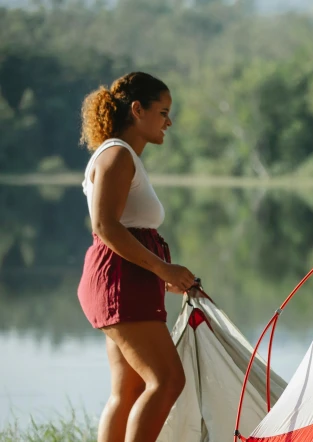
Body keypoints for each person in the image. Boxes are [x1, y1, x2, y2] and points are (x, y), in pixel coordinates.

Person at [77, 71, 197, 442]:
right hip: (120, 283)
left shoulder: (121, 154)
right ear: (137, 109)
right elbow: (105, 226)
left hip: (124, 280)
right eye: (162, 111)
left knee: (127, 392)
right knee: (167, 381)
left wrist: (162, 275)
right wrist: (163, 268)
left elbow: (121, 227)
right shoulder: (116, 154)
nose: (168, 121)